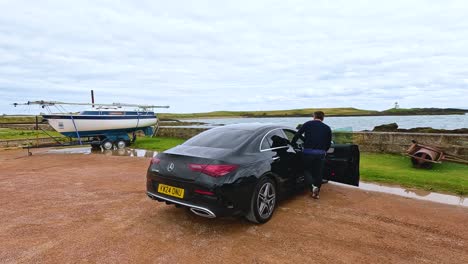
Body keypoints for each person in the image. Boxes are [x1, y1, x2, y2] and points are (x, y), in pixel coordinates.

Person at [291, 111, 332, 199]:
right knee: (319, 173)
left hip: (308, 152)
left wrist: (292, 144)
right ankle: (316, 193)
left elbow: (297, 135)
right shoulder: (327, 128)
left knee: (306, 170)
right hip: (320, 153)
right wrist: (324, 150)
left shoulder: (307, 124)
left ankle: (312, 187)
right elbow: (329, 143)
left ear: (314, 116)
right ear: (323, 118)